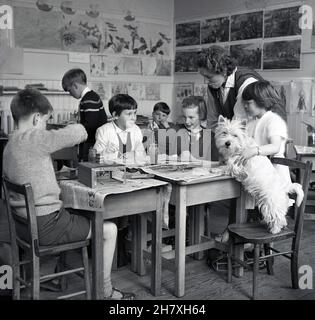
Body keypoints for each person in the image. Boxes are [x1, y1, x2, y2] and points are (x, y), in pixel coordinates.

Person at [2, 89, 135, 300]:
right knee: (109, 229)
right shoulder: (34, 138)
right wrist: (89, 124)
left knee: (71, 210)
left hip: (24, 226)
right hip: (47, 225)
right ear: (37, 118)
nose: (45, 125)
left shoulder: (10, 145)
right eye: (46, 121)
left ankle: (49, 276)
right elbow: (74, 134)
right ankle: (106, 292)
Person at [197, 45, 264, 130]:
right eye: (204, 77)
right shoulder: (213, 85)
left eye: (209, 77)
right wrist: (208, 141)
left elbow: (238, 125)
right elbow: (212, 121)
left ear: (224, 71)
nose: (206, 81)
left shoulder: (247, 84)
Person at [240, 80, 290, 184]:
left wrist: (254, 151)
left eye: (248, 103)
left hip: (275, 171)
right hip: (259, 170)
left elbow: (275, 147)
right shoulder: (251, 123)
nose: (245, 106)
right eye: (244, 103)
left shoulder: (273, 120)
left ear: (261, 101)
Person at [62, 68, 107, 161]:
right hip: (90, 140)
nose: (70, 94)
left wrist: (75, 130)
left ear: (75, 86)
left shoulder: (89, 99)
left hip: (92, 143)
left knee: (86, 167)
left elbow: (91, 125)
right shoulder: (89, 97)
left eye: (69, 90)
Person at [93, 94, 147, 163]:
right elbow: (95, 158)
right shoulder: (104, 131)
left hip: (132, 170)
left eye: (135, 113)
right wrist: (106, 152)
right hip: (111, 170)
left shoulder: (136, 130)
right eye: (129, 114)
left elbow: (141, 156)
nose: (134, 117)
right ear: (115, 115)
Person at [176, 95, 218, 161]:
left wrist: (194, 161)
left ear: (201, 115)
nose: (187, 121)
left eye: (191, 117)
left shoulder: (211, 137)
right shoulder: (176, 130)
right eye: (184, 117)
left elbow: (216, 164)